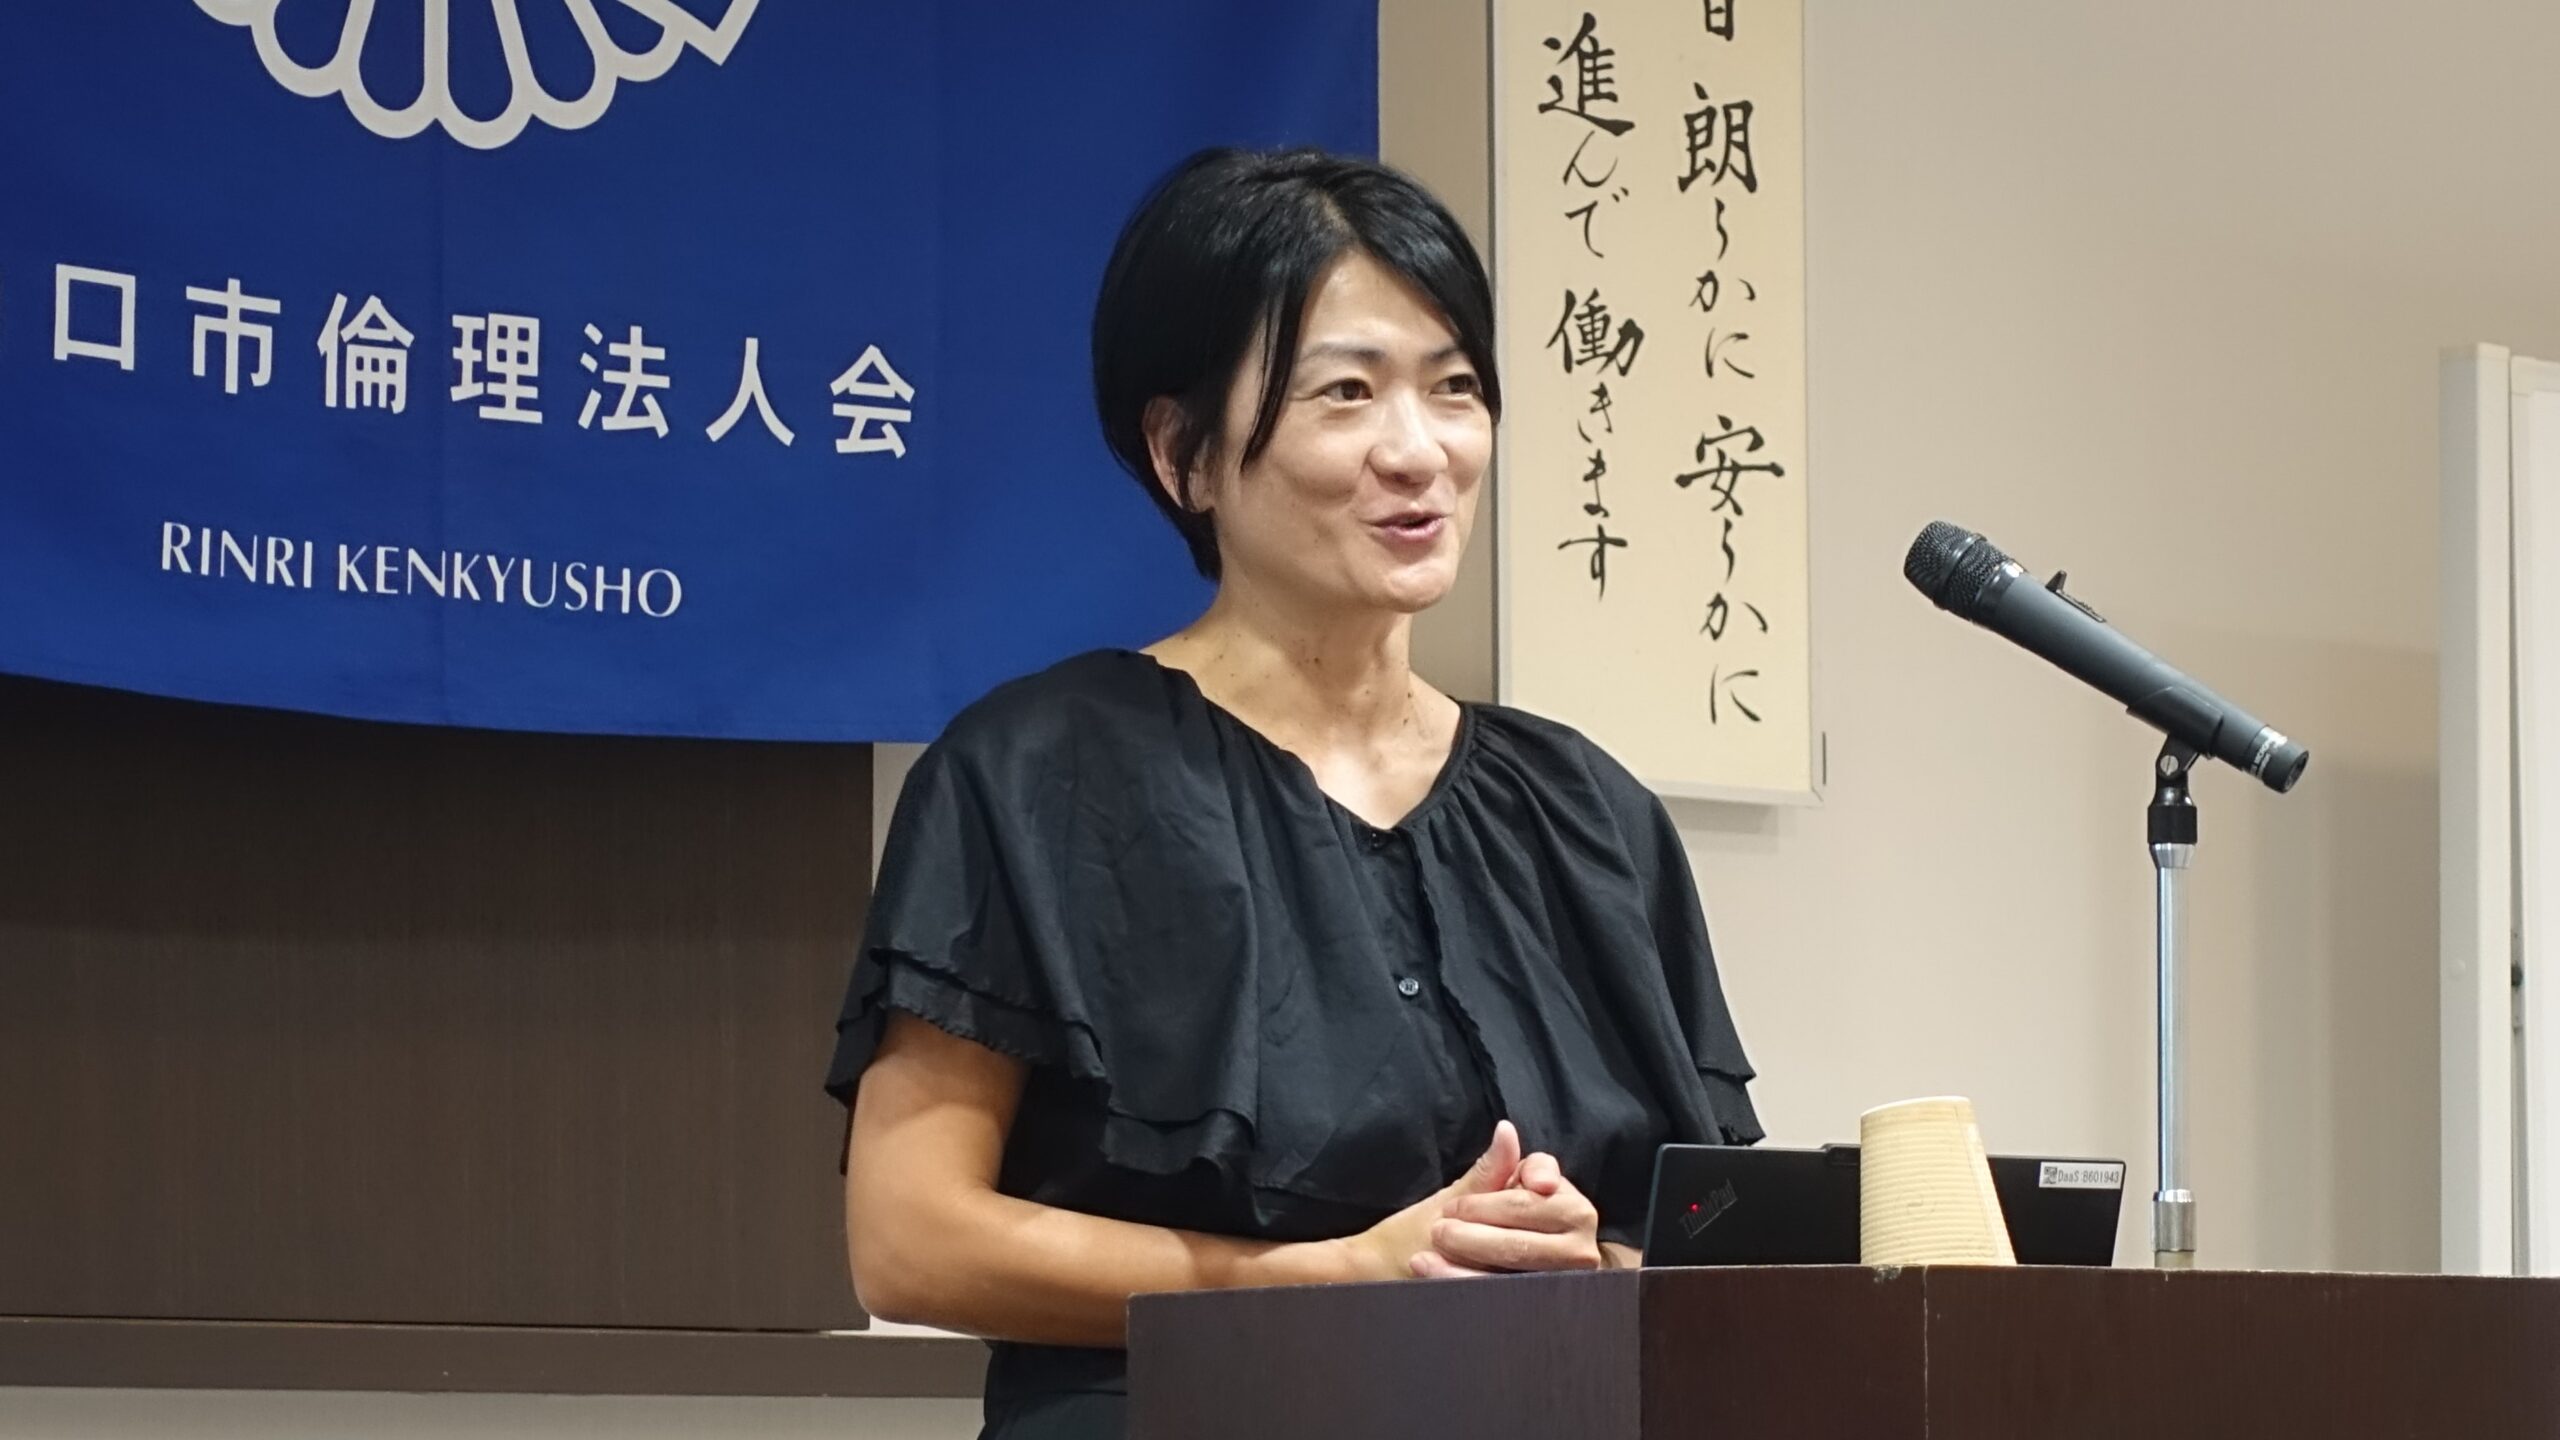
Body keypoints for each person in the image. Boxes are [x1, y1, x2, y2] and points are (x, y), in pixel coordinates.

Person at [825, 147, 1760, 1440]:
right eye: (1346, 393)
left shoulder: (1589, 813)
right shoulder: (1034, 774)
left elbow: (1716, 1241)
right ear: (1184, 453)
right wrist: (1327, 1279)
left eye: (1454, 389)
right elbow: (908, 1239)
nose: (1418, 451)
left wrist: (1581, 1262)